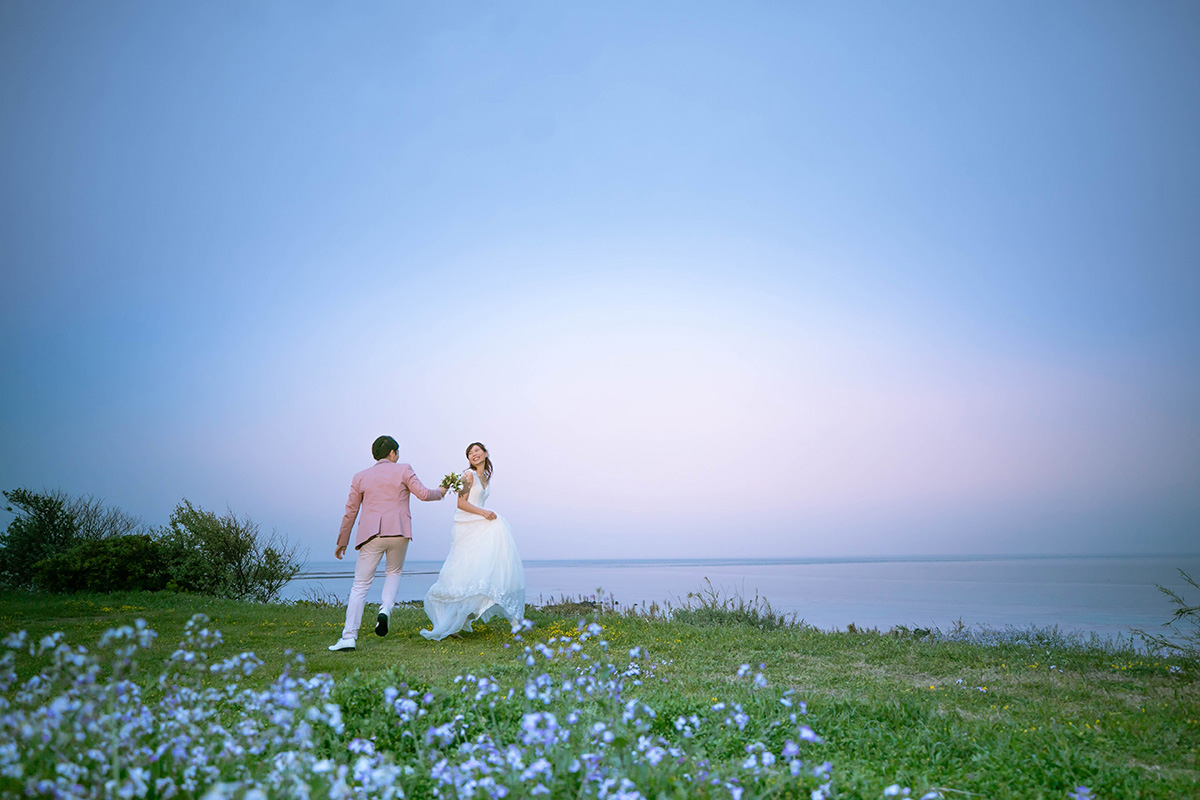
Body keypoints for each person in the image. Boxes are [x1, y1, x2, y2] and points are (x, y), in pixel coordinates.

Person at [328, 435, 447, 652]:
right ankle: (385, 610)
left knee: (360, 585)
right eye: (397, 452)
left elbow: (351, 511)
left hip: (371, 535)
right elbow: (423, 494)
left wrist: (342, 540)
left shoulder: (360, 477)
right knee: (393, 572)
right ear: (392, 453)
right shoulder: (404, 469)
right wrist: (441, 492)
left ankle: (348, 637)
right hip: (399, 533)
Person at [421, 442, 525, 640]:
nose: (474, 454)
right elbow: (461, 503)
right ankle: (452, 622)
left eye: (477, 451)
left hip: (477, 522)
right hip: (467, 524)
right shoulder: (468, 475)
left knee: (483, 568)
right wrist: (484, 512)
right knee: (465, 570)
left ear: (486, 453)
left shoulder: (484, 477)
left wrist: (484, 514)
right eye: (470, 453)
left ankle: (507, 618)